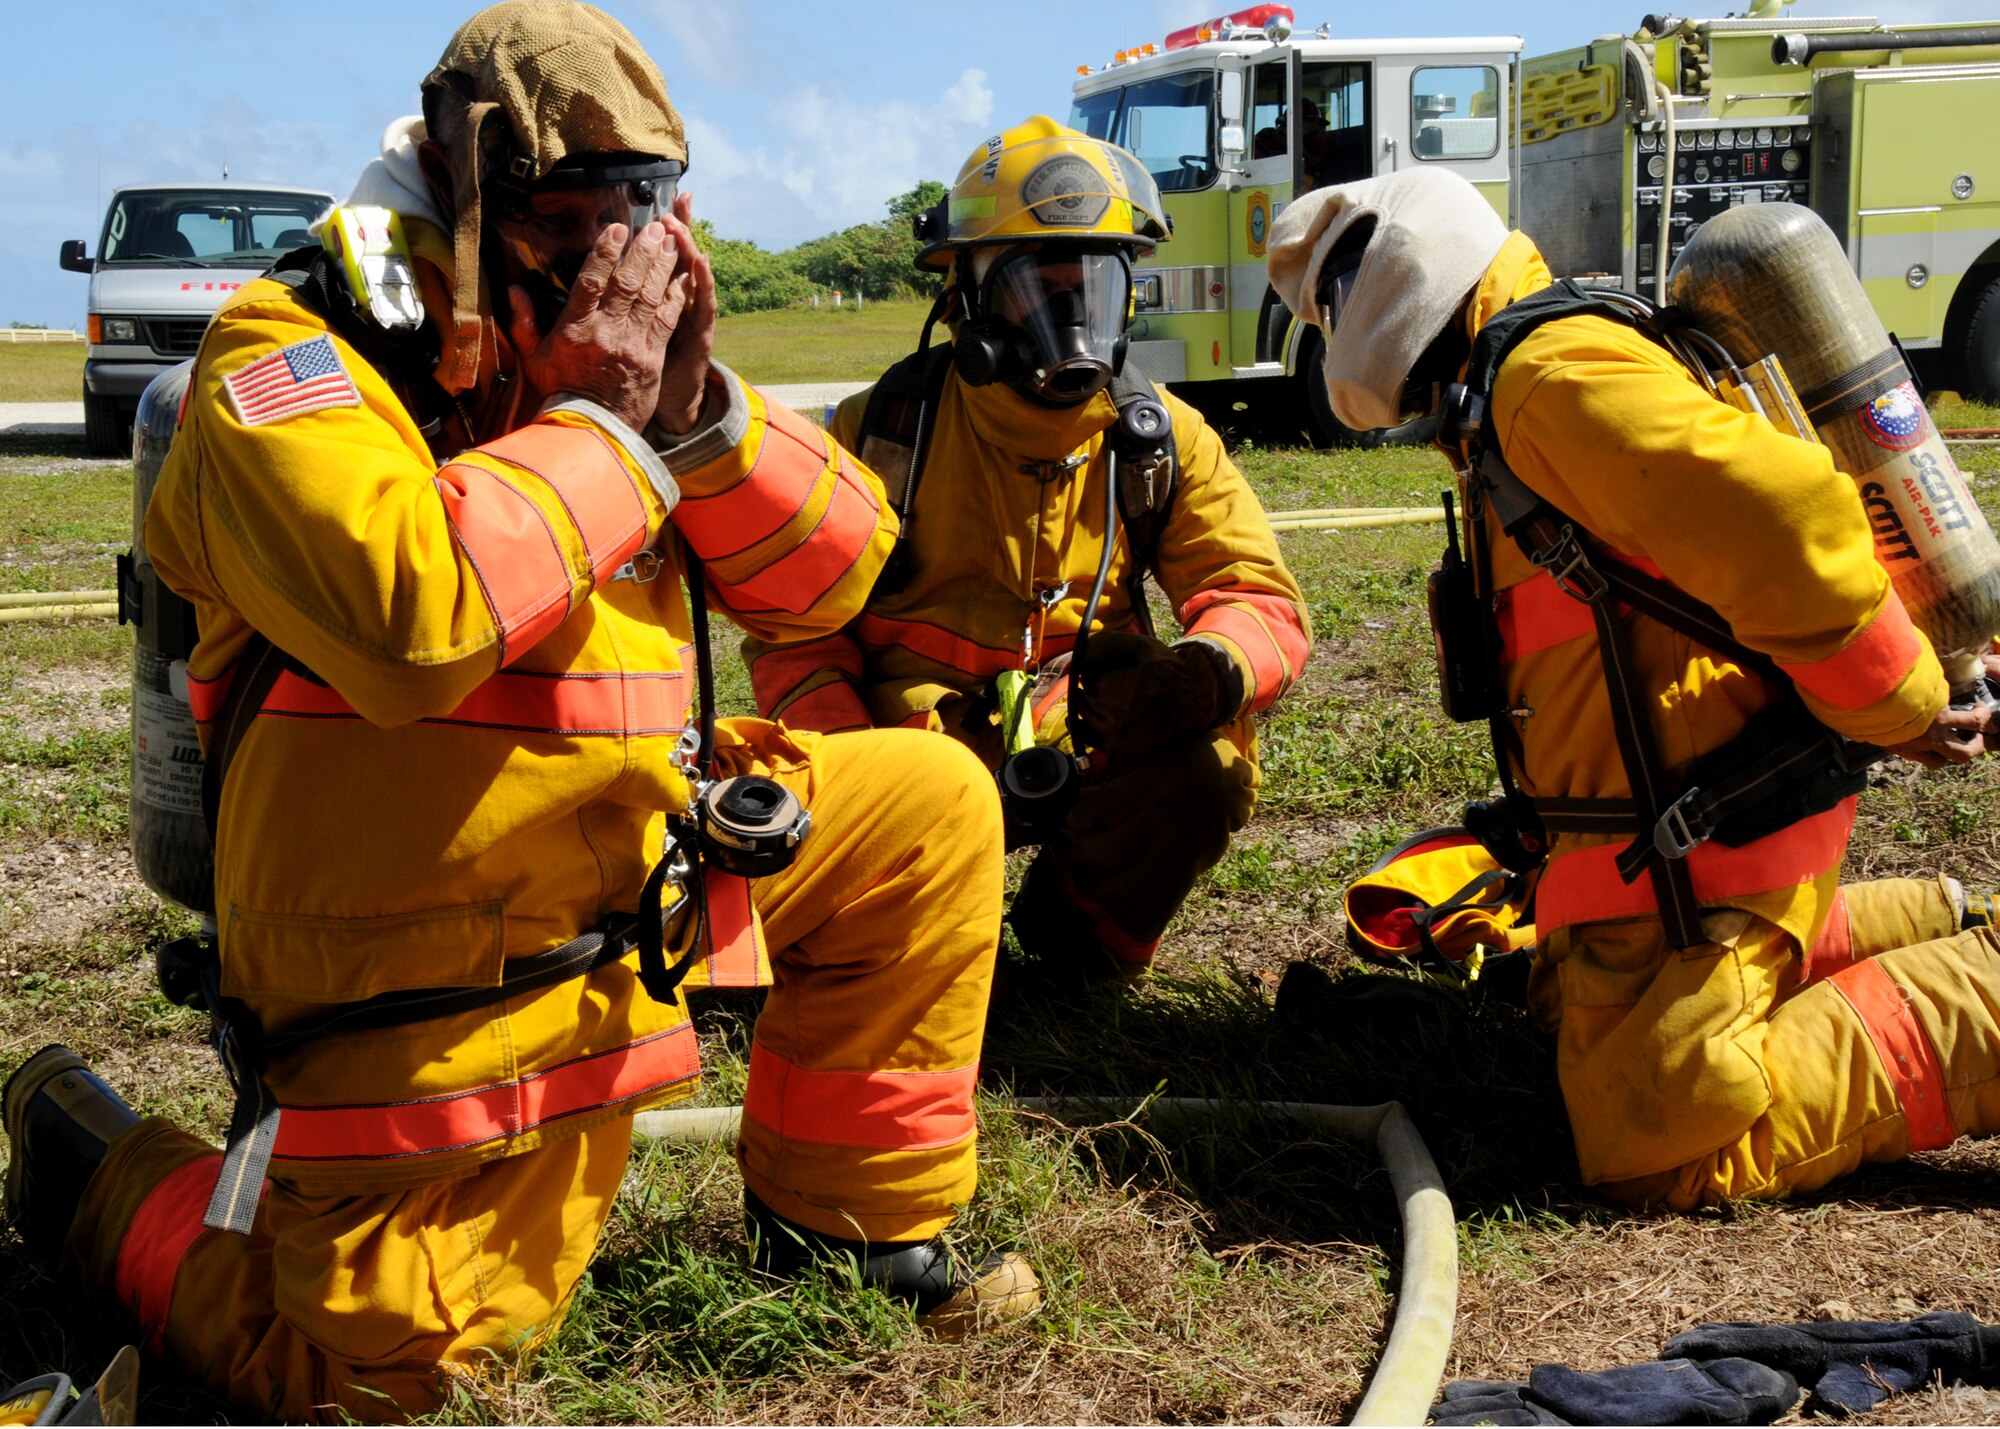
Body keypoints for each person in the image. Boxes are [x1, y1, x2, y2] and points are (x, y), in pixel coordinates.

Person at [2, 5, 1035, 1419]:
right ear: (459, 179)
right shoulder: (287, 353)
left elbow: (837, 572)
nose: (618, 246)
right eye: (575, 205)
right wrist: (603, 426)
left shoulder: (608, 361)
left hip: (626, 877)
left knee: (925, 812)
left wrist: (692, 416)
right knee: (377, 1372)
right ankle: (101, 1171)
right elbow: (406, 620)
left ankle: (851, 1231)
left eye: (644, 203)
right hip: (426, 968)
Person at [1265, 166, 2000, 1209]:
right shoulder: (1516, 379)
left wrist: (1905, 702)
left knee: (1664, 1139)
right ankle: (1940, 920)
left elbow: (1787, 523)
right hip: (1661, 864)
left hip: (1709, 856)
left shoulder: (1545, 378)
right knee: (1576, 1032)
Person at [745, 118, 1311, 993]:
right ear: (967, 300)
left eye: (1092, 288)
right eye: (1035, 293)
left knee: (1205, 771)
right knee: (853, 929)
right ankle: (900, 928)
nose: (1069, 324)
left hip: (1088, 736)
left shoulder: (1161, 439)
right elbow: (792, 633)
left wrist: (1206, 672)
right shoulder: (881, 433)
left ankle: (1078, 949)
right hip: (908, 744)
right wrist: (861, 767)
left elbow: (1255, 594)